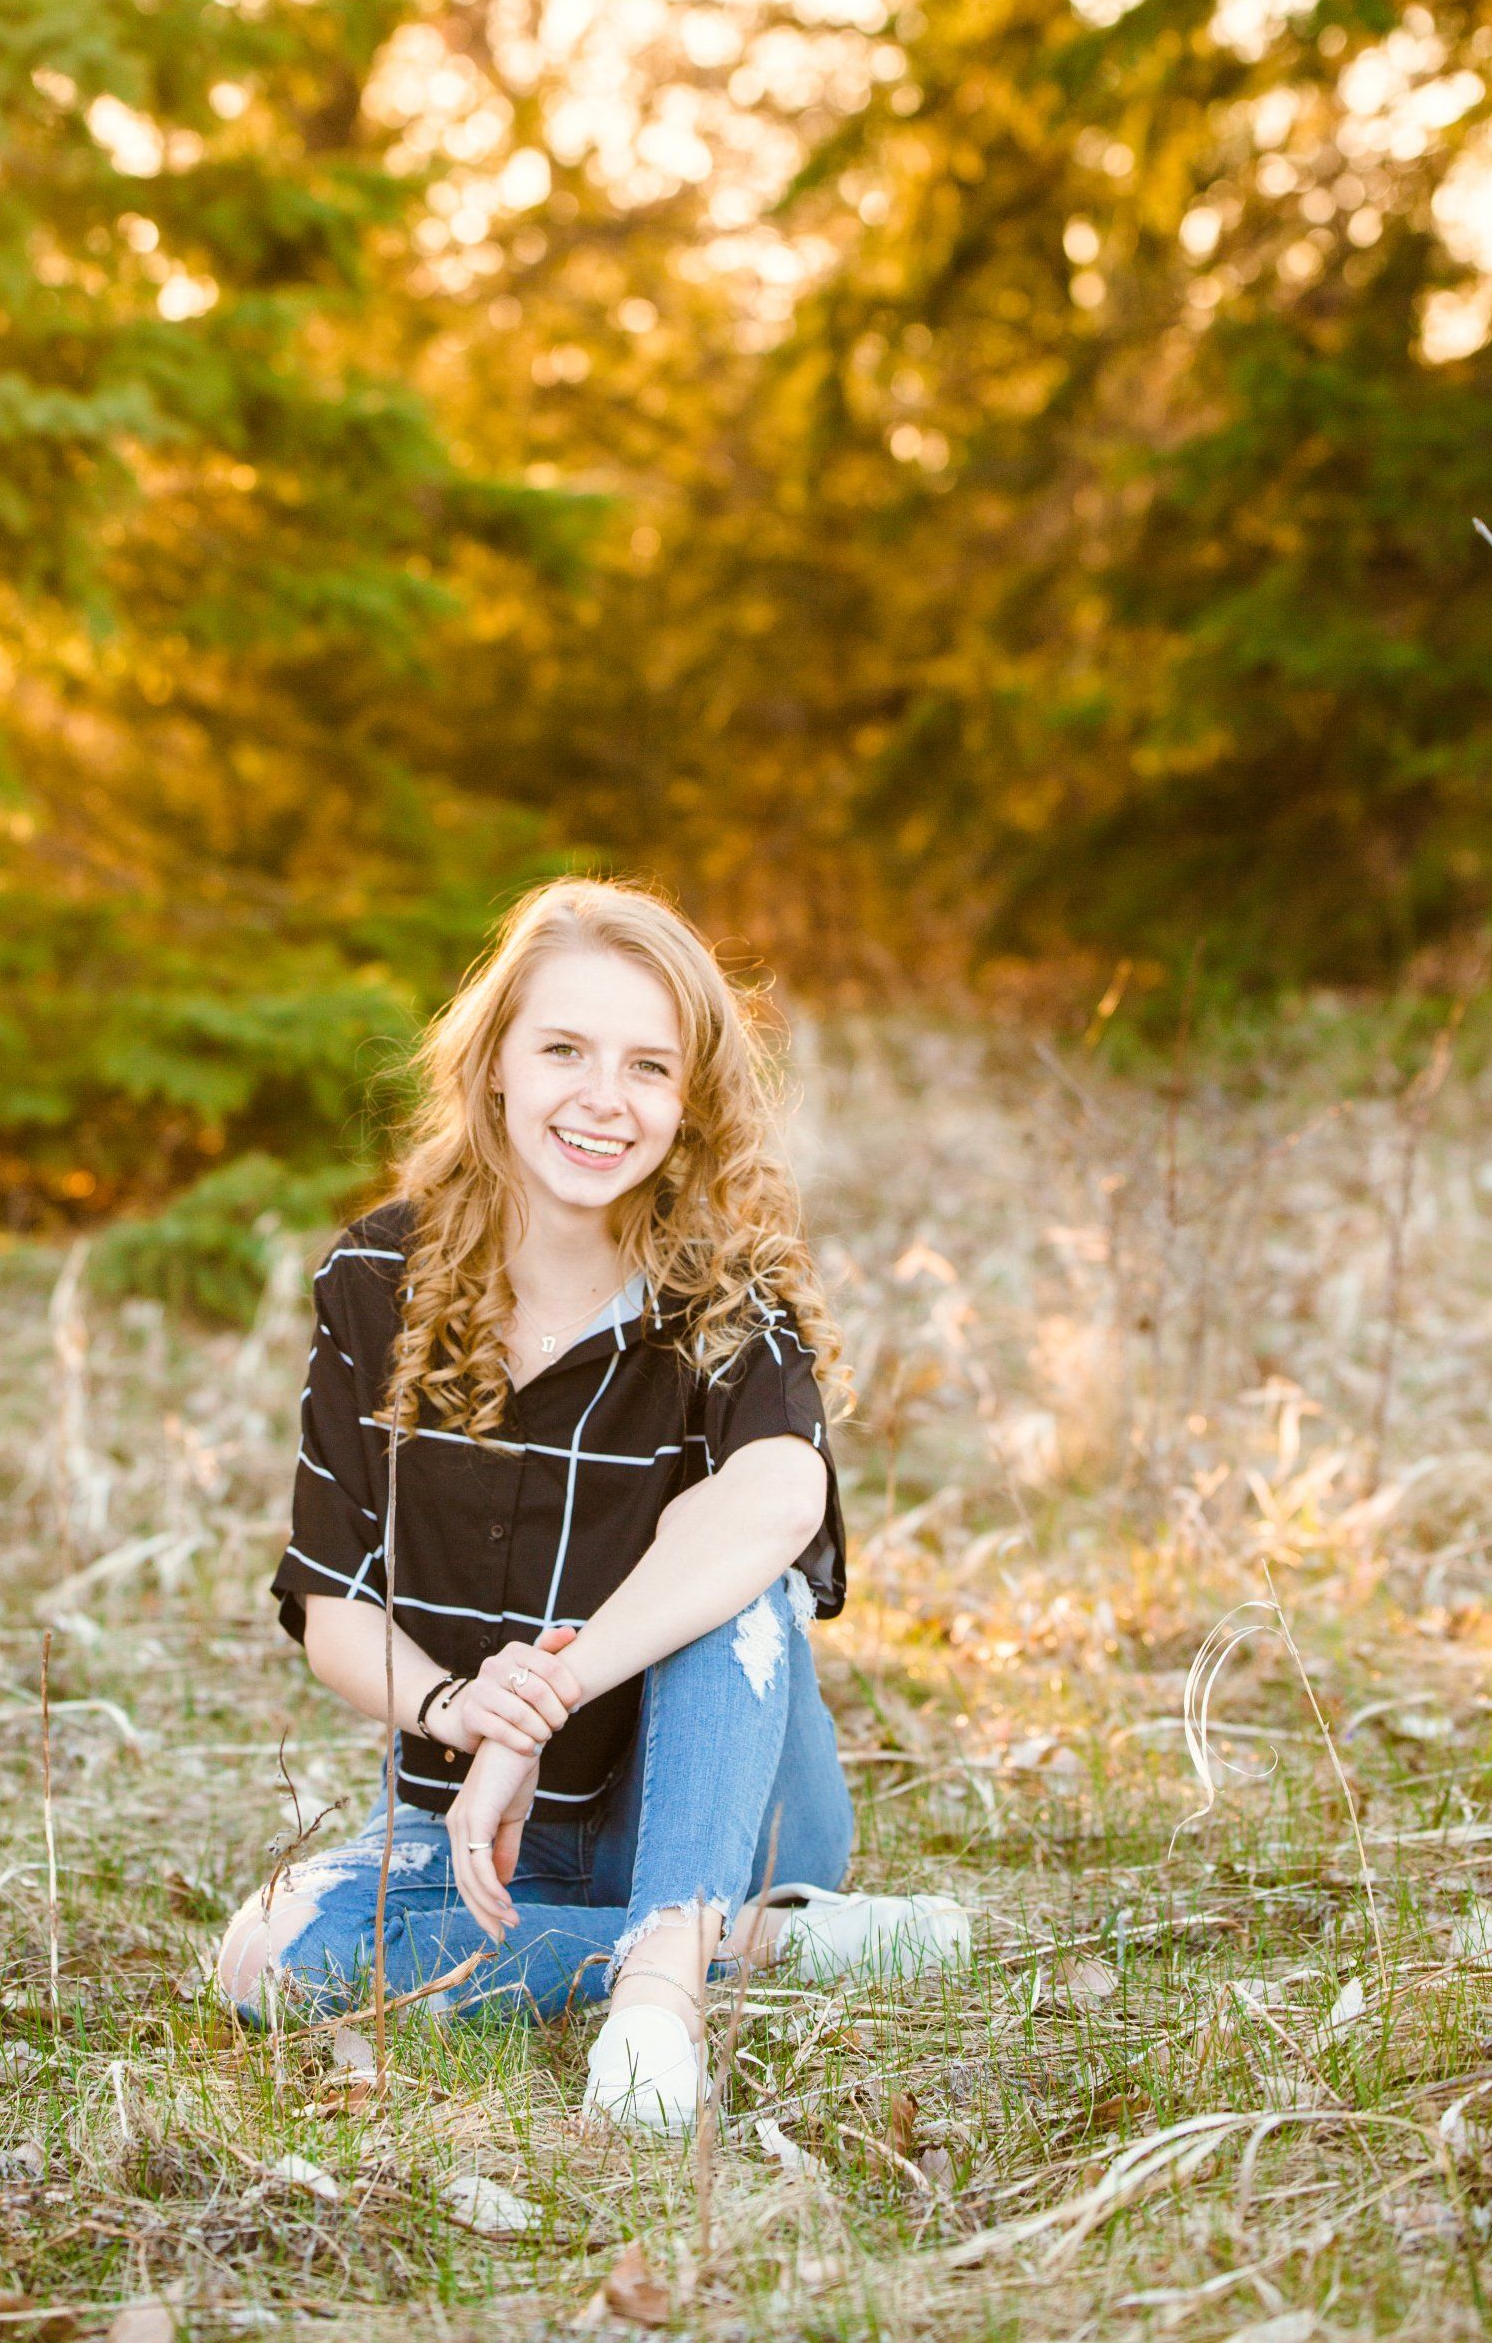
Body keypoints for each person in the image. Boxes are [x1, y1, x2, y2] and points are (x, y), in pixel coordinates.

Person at [215, 877, 968, 2131]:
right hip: (472, 1829)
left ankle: (664, 1991)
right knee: (267, 1960)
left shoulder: (728, 1293)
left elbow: (781, 1500)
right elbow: (331, 1603)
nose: (603, 1099)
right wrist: (462, 1712)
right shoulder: (375, 1279)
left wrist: (544, 1702)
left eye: (647, 1066)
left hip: (722, 1807)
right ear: (494, 1066)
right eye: (564, 1049)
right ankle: (767, 1947)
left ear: (690, 1101)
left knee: (732, 1579)